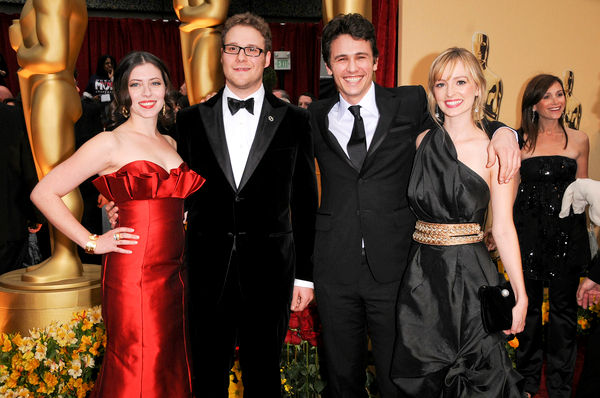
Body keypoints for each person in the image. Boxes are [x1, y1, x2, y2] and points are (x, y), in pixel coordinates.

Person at [308, 13, 520, 398]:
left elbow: (458, 121)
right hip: (333, 268)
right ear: (328, 65)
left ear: (376, 60)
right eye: (341, 59)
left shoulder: (408, 103)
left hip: (399, 270)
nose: (352, 67)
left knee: (401, 380)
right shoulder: (311, 117)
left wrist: (504, 131)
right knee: (341, 380)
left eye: (361, 57)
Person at [30, 51, 205, 397]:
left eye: (155, 82)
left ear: (166, 89)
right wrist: (91, 242)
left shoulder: (170, 142)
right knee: (139, 363)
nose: (147, 92)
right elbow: (44, 192)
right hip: (133, 275)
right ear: (124, 93)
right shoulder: (109, 141)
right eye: (136, 84)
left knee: (168, 362)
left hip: (175, 276)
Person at [174, 12, 317, 397]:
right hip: (205, 269)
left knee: (265, 377)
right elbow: (173, 192)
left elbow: (305, 201)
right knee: (205, 377)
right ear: (221, 56)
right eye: (233, 48)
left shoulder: (296, 121)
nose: (241, 57)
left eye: (251, 49)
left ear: (267, 58)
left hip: (271, 270)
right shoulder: (188, 121)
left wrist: (304, 275)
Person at [391, 47, 527, 397]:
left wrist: (521, 295)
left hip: (471, 278)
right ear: (432, 91)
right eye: (441, 84)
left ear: (479, 88)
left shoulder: (496, 149)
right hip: (421, 280)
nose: (450, 93)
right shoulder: (421, 142)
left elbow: (503, 228)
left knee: (480, 377)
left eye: (461, 82)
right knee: (423, 377)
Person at [513, 74, 590, 398]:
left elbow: (583, 192)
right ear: (533, 103)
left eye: (559, 94)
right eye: (547, 96)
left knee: (563, 316)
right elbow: (510, 187)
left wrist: (590, 240)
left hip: (567, 235)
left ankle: (560, 388)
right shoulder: (517, 140)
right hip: (527, 235)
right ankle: (526, 384)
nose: (556, 101)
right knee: (526, 312)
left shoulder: (579, 140)